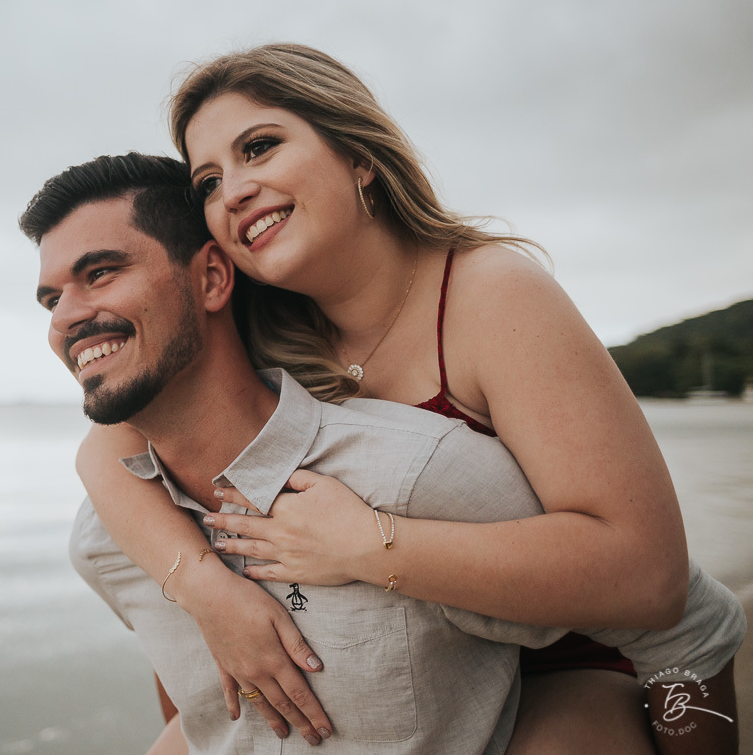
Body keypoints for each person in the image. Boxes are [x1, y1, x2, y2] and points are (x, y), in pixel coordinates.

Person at [73, 45, 744, 753]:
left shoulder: (491, 296)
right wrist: (207, 591)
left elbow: (651, 577)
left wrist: (366, 546)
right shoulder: (254, 332)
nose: (233, 191)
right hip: (402, 675)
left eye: (259, 148)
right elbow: (105, 452)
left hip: (567, 659)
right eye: (208, 182)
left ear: (359, 156)